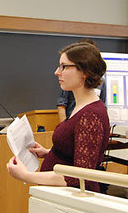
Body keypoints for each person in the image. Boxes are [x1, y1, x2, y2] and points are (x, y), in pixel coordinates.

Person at [7, 42, 110, 193]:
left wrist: (27, 176)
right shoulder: (81, 107)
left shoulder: (90, 116)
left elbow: (80, 177)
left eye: (64, 66)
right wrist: (49, 152)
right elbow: (78, 154)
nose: (57, 72)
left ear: (84, 72)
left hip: (70, 199)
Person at [56, 39, 106, 123]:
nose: (57, 72)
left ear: (84, 70)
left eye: (65, 66)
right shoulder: (80, 109)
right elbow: (61, 105)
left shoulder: (91, 114)